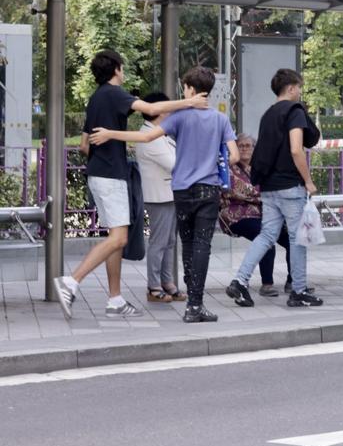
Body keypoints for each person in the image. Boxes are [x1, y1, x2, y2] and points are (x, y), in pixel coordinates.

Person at [52, 49, 206, 321]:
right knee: (119, 238)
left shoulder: (96, 98)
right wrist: (189, 102)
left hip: (102, 173)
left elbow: (86, 145)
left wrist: (105, 156)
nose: (123, 72)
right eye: (122, 68)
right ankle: (71, 281)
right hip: (111, 176)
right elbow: (151, 109)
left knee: (116, 239)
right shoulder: (113, 94)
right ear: (116, 69)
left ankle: (115, 299)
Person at [90, 66, 238, 323]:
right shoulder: (220, 119)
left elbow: (145, 138)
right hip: (208, 190)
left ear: (190, 89)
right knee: (203, 245)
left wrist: (110, 134)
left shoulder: (179, 118)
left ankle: (191, 302)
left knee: (187, 244)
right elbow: (234, 156)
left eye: (185, 88)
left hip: (181, 191)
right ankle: (195, 304)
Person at [226, 68, 324, 309]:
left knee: (267, 235)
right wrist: (308, 180)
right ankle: (299, 291)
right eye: (299, 87)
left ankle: (240, 280)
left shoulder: (268, 114)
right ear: (291, 88)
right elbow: (295, 149)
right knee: (297, 239)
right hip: (290, 186)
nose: (300, 92)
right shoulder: (294, 111)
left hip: (268, 187)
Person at [220, 133, 291, 296]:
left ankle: (293, 282)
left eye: (248, 145)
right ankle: (267, 285)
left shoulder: (260, 167)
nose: (244, 149)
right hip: (237, 215)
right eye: (241, 146)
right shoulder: (230, 168)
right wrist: (270, 195)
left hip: (263, 214)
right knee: (266, 238)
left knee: (292, 239)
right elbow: (242, 191)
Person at [134, 91, 185, 303]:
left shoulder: (158, 133)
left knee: (170, 240)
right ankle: (154, 286)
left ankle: (167, 282)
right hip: (160, 196)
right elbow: (174, 164)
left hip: (168, 194)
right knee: (159, 241)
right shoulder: (150, 137)